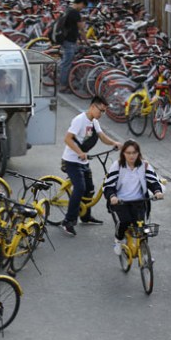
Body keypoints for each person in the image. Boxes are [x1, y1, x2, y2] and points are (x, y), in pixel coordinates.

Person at [60, 95, 122, 236]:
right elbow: (67, 139)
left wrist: (114, 143)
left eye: (104, 111)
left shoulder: (94, 122)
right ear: (93, 107)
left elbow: (102, 136)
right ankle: (68, 221)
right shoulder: (79, 120)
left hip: (83, 161)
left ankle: (86, 217)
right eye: (101, 110)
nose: (102, 114)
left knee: (90, 189)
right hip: (71, 160)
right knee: (80, 188)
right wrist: (80, 152)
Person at [103, 140, 164, 255]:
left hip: (139, 201)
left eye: (134, 152)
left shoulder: (144, 165)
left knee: (143, 228)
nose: (131, 155)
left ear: (138, 153)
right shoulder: (118, 165)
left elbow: (153, 181)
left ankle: (145, 255)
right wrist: (112, 197)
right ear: (123, 154)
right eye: (128, 153)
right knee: (125, 222)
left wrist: (157, 191)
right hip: (120, 202)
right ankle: (118, 240)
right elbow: (108, 186)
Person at [59, 0, 88, 94]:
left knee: (65, 62)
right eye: (83, 6)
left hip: (65, 39)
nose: (82, 9)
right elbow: (81, 29)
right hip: (69, 41)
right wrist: (86, 41)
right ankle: (63, 86)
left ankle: (66, 82)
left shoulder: (68, 10)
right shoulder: (75, 13)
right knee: (66, 63)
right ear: (80, 3)